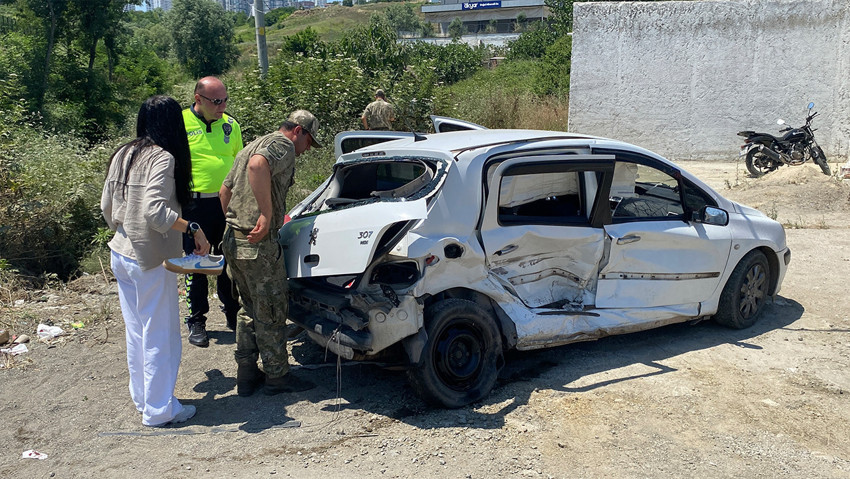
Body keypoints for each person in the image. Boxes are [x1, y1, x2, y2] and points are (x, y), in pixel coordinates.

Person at [101, 95, 211, 427]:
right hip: (149, 258)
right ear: (173, 123)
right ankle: (160, 409)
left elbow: (107, 204)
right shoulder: (162, 158)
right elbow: (155, 211)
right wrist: (193, 228)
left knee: (137, 331)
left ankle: (145, 398)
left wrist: (123, 228)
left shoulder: (124, 152)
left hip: (120, 252)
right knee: (160, 334)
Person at [220, 110, 321, 396]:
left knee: (249, 308)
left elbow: (224, 192)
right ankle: (278, 378)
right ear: (299, 131)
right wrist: (265, 215)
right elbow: (257, 166)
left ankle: (247, 373)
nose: (307, 150)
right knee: (273, 308)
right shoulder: (283, 145)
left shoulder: (252, 143)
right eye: (309, 142)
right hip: (258, 245)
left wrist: (236, 223)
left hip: (233, 240)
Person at [181, 76, 243, 347]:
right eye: (216, 101)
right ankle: (196, 319)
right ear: (198, 99)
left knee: (228, 259)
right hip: (194, 205)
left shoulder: (231, 125)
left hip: (225, 203)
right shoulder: (180, 122)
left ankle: (232, 312)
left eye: (225, 100)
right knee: (197, 262)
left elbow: (240, 163)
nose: (222, 106)